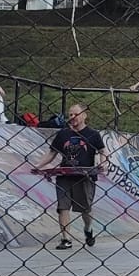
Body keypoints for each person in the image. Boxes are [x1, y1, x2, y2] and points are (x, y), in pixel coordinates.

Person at [35, 102, 107, 250]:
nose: (73, 117)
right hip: (64, 175)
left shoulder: (93, 134)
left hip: (85, 176)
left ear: (84, 115)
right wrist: (38, 166)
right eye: (70, 115)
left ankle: (88, 229)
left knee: (85, 209)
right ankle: (65, 239)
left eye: (76, 114)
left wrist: (103, 163)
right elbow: (51, 153)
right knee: (63, 207)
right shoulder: (63, 134)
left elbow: (102, 151)